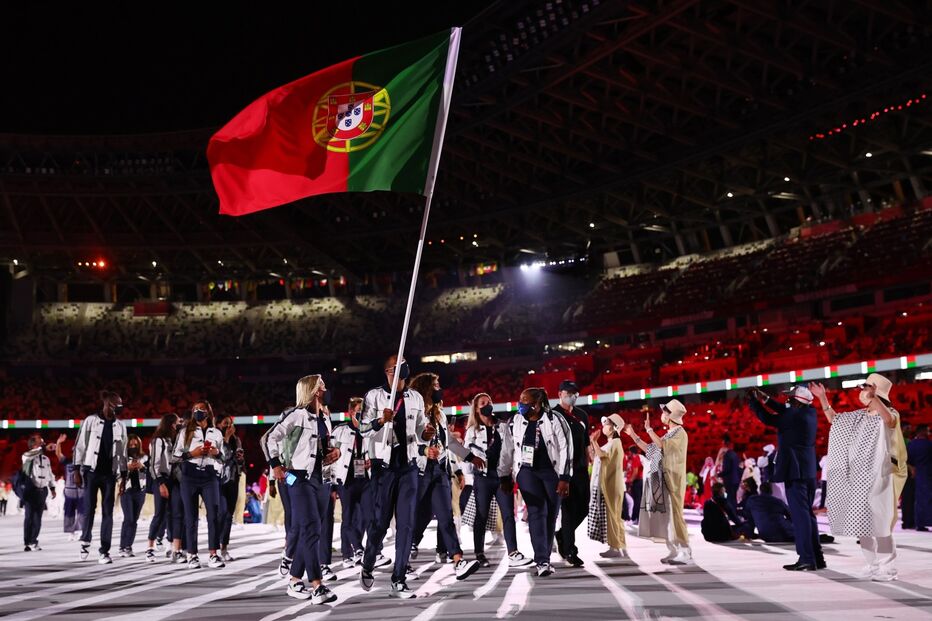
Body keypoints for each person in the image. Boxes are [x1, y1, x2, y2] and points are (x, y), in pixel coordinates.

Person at [812, 373, 907, 581]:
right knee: (861, 524)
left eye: (867, 388)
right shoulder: (859, 416)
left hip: (880, 476)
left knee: (880, 522)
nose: (862, 392)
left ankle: (888, 568)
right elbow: (834, 420)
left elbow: (889, 421)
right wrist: (822, 398)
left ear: (876, 392)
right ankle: (873, 565)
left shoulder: (890, 414)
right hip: (858, 478)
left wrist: (874, 398)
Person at [358, 356, 435, 599]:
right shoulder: (374, 396)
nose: (403, 367)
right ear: (388, 371)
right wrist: (381, 420)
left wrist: (426, 433)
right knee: (380, 523)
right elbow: (362, 428)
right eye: (398, 365)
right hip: (383, 468)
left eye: (405, 363)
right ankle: (368, 562)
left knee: (406, 524)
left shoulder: (416, 398)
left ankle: (398, 579)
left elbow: (421, 431)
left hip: (408, 468)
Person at [266, 375, 340, 604]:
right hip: (298, 478)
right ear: (314, 390)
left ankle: (295, 580)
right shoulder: (296, 415)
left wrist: (334, 452)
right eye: (322, 385)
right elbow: (269, 438)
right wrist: (275, 465)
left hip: (321, 479)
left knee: (313, 530)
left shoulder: (325, 417)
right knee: (311, 528)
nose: (326, 389)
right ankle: (317, 585)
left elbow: (325, 447)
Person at [407, 373, 480, 580]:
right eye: (436, 385)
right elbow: (407, 441)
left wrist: (470, 456)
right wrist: (423, 451)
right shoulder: (413, 412)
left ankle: (458, 560)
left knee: (446, 516)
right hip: (419, 471)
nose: (440, 389)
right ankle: (404, 558)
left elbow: (449, 442)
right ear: (426, 389)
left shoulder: (439, 414)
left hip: (439, 470)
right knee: (417, 517)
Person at [748, 385, 824, 571]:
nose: (786, 400)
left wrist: (754, 402)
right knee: (808, 515)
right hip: (808, 471)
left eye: (790, 398)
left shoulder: (792, 416)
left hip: (795, 472)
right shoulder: (810, 412)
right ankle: (817, 557)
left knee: (800, 517)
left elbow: (767, 418)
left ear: (797, 402)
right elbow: (784, 409)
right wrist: (766, 399)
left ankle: (806, 559)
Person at [463, 392, 533, 568]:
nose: (488, 405)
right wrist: (471, 469)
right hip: (483, 478)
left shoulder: (502, 426)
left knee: (508, 514)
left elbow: (512, 449)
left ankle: (513, 552)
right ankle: (479, 553)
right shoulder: (472, 431)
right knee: (481, 515)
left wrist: (512, 472)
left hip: (502, 477)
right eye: (483, 403)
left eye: (489, 401)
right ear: (476, 409)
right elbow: (465, 454)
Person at [511, 387, 572, 577]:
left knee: (551, 515)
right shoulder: (516, 420)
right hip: (527, 472)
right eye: (520, 400)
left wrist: (564, 477)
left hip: (551, 472)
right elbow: (509, 448)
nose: (520, 404)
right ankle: (542, 560)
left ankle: (544, 556)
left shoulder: (555, 419)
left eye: (525, 401)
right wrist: (506, 474)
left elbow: (566, 447)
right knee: (537, 511)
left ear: (536, 405)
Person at [625, 399, 692, 564]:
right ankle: (673, 550)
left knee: (676, 516)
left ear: (671, 415)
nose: (663, 415)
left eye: (665, 412)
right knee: (667, 518)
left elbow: (661, 445)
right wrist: (633, 435)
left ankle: (685, 551)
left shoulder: (680, 433)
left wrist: (649, 430)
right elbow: (650, 449)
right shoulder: (669, 433)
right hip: (663, 480)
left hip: (673, 480)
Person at [73, 390, 128, 564]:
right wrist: (76, 470)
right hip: (91, 471)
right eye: (116, 405)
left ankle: (104, 551)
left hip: (110, 474)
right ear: (107, 404)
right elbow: (80, 446)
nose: (119, 408)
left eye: (120, 405)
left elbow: (123, 452)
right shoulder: (90, 421)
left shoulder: (120, 426)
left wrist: (124, 476)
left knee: (108, 512)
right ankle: (85, 541)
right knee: (89, 508)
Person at [174, 401, 226, 569]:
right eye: (195, 409)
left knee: (214, 515)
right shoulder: (185, 432)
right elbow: (174, 457)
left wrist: (216, 452)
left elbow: (224, 458)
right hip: (189, 475)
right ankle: (192, 555)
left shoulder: (216, 433)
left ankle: (214, 554)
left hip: (209, 475)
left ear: (208, 412)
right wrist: (192, 453)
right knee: (191, 517)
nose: (198, 412)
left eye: (201, 409)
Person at [552, 380, 590, 568]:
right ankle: (570, 550)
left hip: (581, 469)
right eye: (568, 393)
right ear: (560, 394)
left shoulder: (582, 415)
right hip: (564, 470)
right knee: (568, 510)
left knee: (583, 508)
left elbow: (586, 444)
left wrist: (588, 464)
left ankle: (562, 535)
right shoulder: (553, 415)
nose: (572, 396)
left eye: (575, 393)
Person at [331, 397, 372, 568]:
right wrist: (332, 485)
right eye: (358, 412)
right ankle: (349, 553)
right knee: (347, 517)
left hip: (365, 479)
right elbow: (330, 458)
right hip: (346, 479)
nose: (361, 415)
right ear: (350, 412)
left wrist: (372, 461)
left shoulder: (371, 430)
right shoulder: (340, 430)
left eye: (363, 412)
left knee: (367, 516)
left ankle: (364, 550)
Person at [588, 414, 628, 558]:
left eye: (607, 423)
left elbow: (602, 455)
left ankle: (615, 547)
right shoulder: (612, 443)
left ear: (614, 428)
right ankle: (619, 544)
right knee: (615, 516)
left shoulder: (615, 442)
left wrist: (594, 441)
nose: (604, 426)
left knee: (612, 516)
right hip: (611, 484)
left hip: (611, 484)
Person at [147, 413, 180, 563]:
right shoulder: (158, 440)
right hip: (161, 479)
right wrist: (160, 483)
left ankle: (172, 546)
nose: (178, 425)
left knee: (174, 514)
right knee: (159, 514)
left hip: (174, 480)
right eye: (176, 423)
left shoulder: (176, 440)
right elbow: (153, 464)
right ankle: (150, 547)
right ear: (170, 424)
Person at [20, 434, 56, 551]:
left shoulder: (46, 459)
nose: (43, 444)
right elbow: (30, 454)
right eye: (40, 442)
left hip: (42, 491)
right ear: (34, 445)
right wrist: (44, 448)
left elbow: (49, 474)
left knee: (37, 518)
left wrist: (52, 488)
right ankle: (27, 542)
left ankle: (33, 541)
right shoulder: (27, 456)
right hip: (30, 491)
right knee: (29, 517)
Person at [216, 413, 244, 562]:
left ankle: (224, 547)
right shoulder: (216, 439)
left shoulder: (236, 440)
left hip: (233, 479)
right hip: (218, 480)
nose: (228, 426)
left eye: (230, 423)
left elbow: (240, 461)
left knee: (228, 515)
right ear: (218, 424)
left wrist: (240, 459)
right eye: (225, 423)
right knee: (221, 513)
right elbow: (223, 458)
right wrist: (226, 439)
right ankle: (214, 546)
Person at [117, 434, 148, 557]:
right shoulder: (122, 458)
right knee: (128, 518)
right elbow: (116, 474)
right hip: (127, 491)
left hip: (140, 491)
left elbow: (151, 472)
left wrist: (142, 467)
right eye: (130, 444)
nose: (133, 446)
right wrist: (127, 468)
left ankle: (128, 546)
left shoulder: (144, 457)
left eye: (135, 444)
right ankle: (122, 546)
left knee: (134, 520)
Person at [53, 433, 85, 540]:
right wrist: (58, 443)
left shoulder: (85, 463)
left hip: (82, 490)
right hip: (70, 490)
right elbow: (58, 454)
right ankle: (70, 532)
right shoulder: (67, 461)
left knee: (82, 511)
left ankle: (80, 531)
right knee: (69, 511)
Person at [906, 424, 931, 532]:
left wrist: (912, 469)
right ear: (923, 431)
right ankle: (926, 521)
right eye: (927, 431)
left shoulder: (911, 444)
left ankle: (919, 523)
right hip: (928, 474)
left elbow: (907, 460)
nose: (929, 433)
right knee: (927, 499)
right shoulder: (929, 444)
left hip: (915, 474)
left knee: (918, 500)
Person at [717, 434, 742, 512]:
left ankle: (731, 514)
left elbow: (727, 469)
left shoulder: (727, 455)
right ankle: (733, 513)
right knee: (733, 498)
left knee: (730, 498)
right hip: (736, 480)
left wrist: (718, 475)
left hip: (730, 480)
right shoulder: (735, 454)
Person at [624, 445, 643, 523]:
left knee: (636, 501)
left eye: (629, 452)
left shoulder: (636, 458)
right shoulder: (632, 459)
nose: (628, 453)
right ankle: (634, 517)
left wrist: (630, 481)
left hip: (637, 482)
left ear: (632, 452)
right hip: (634, 481)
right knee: (634, 500)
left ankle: (635, 518)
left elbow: (635, 472)